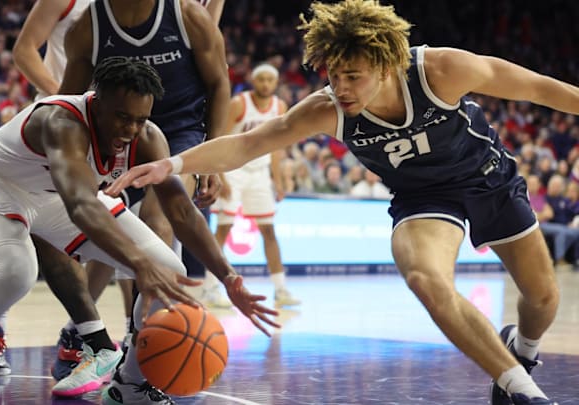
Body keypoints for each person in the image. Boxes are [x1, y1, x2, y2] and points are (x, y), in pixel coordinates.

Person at [106, 1, 579, 404]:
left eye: (354, 75)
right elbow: (251, 144)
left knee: (542, 298)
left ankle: (524, 347)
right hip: (424, 198)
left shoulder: (441, 70)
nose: (342, 87)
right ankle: (522, 389)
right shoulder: (326, 107)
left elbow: (536, 87)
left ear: (387, 64)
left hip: (489, 179)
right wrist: (173, 164)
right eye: (334, 74)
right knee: (424, 277)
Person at [0, 57, 276, 405]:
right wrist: (137, 263)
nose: (131, 128)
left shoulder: (147, 137)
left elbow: (181, 211)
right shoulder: (62, 122)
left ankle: (128, 387)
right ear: (96, 100)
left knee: (170, 269)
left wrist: (228, 277)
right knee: (15, 274)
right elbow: (79, 205)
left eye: (140, 119)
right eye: (122, 117)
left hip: (61, 193)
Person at [60, 0, 230, 286]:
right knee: (113, 226)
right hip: (119, 135)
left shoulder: (188, 15)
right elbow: (66, 106)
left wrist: (213, 158)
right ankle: (81, 327)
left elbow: (220, 83)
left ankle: (147, 327)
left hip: (180, 131)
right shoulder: (87, 27)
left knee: (158, 218)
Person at [210, 63, 300, 308]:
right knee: (224, 228)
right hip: (234, 168)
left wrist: (278, 181)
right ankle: (210, 288)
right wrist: (220, 174)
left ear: (276, 82)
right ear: (253, 80)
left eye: (270, 80)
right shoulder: (239, 103)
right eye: (261, 79)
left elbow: (276, 148)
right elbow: (219, 139)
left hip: (260, 172)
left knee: (269, 230)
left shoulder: (280, 107)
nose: (265, 84)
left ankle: (281, 290)